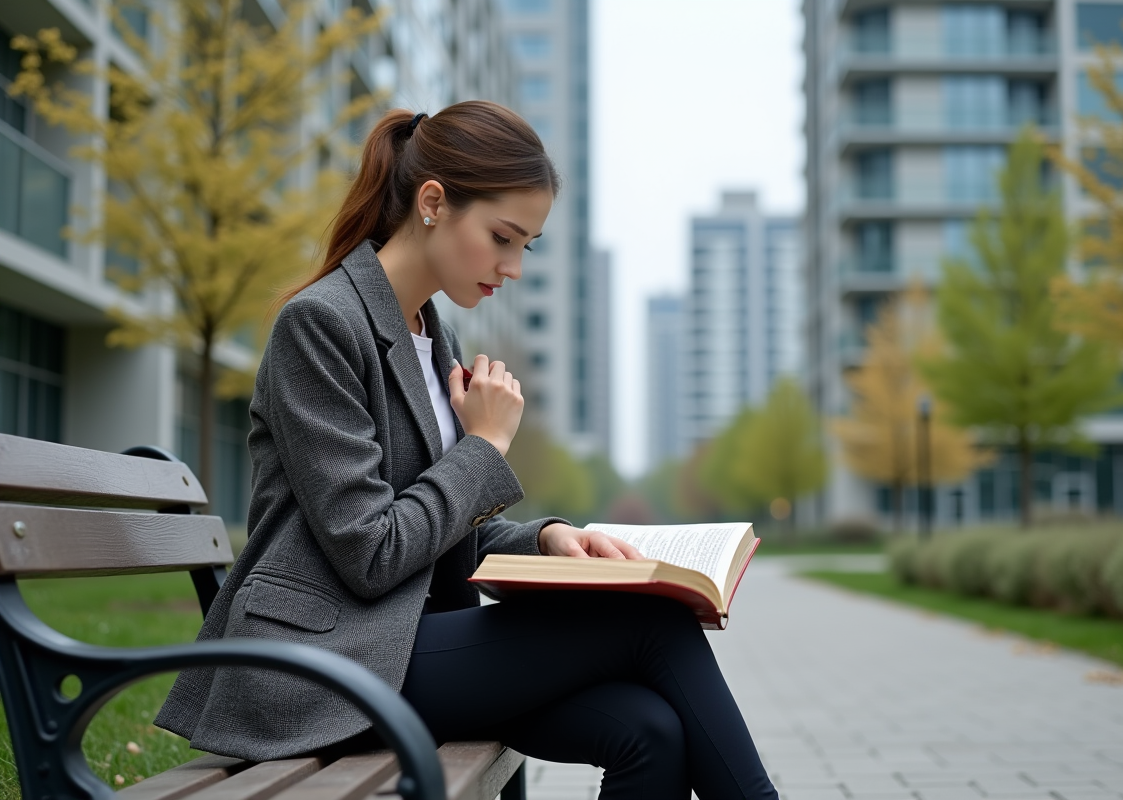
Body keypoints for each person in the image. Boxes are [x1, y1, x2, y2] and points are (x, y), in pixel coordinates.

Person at [155, 101, 779, 800]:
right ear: (432, 203)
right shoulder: (320, 326)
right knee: (650, 622)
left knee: (649, 728)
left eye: (526, 246)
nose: (513, 267)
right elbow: (372, 552)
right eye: (502, 238)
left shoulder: (432, 335)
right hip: (321, 663)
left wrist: (548, 538)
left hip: (407, 644)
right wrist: (483, 444)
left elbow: (438, 531)